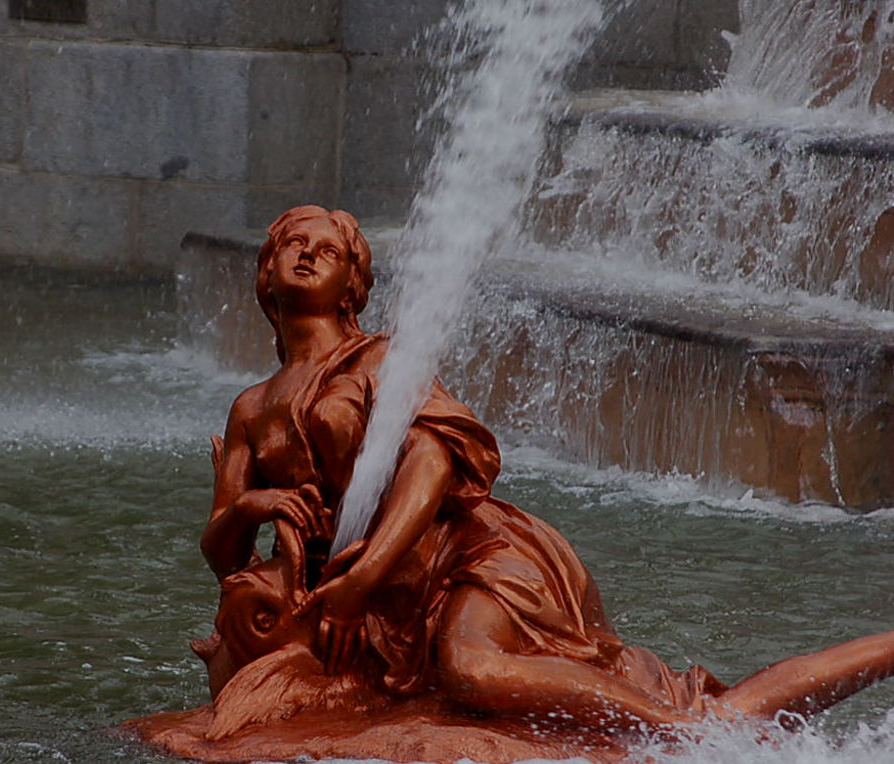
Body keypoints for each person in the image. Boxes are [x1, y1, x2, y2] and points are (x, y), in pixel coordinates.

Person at [198, 204, 894, 733]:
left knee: (471, 670)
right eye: (293, 244)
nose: (307, 255)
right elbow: (223, 552)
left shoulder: (381, 361)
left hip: (469, 558)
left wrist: (362, 579)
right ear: (266, 269)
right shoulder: (251, 408)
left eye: (327, 250)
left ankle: (677, 734)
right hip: (384, 607)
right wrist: (257, 506)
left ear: (352, 285)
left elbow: (432, 461)